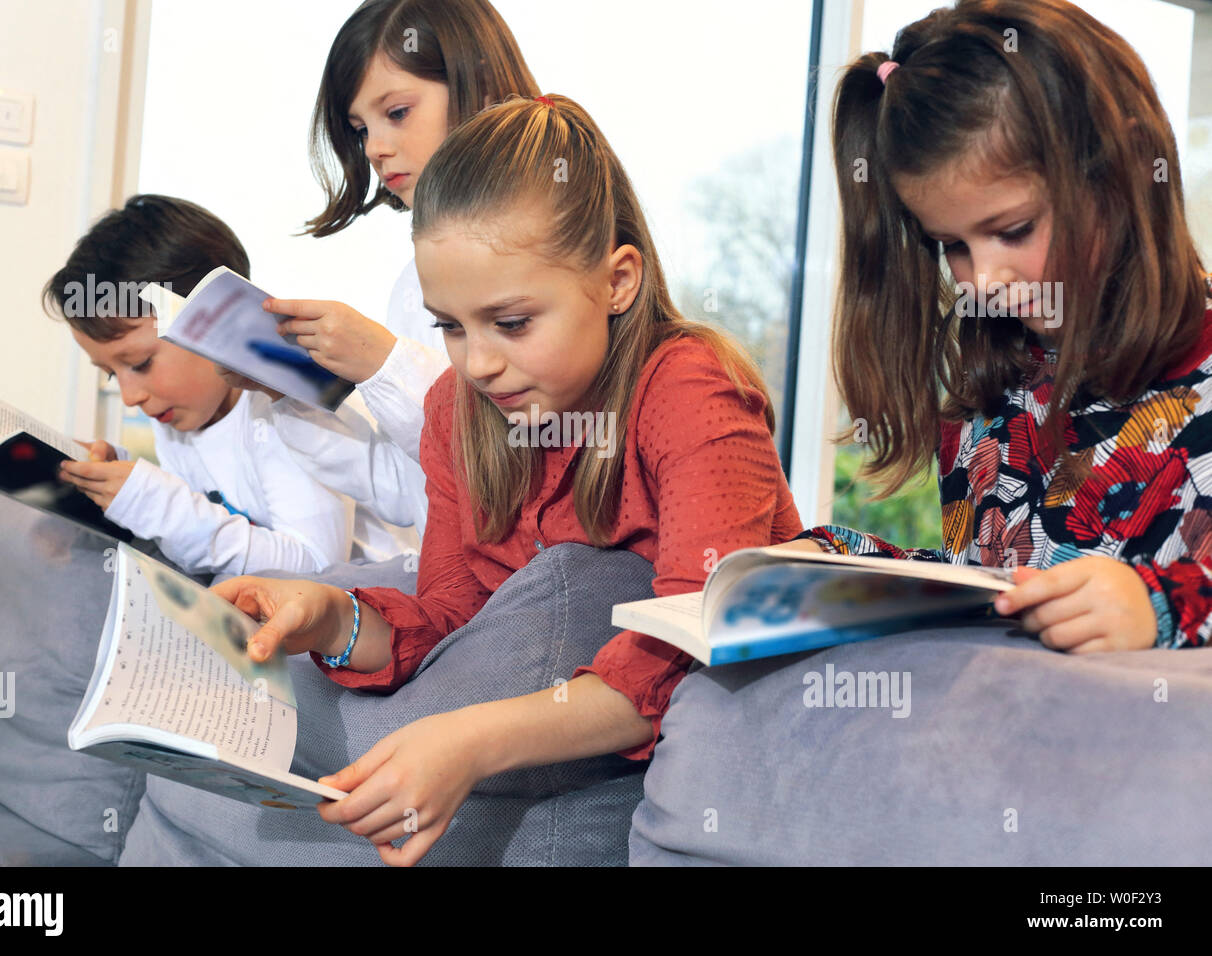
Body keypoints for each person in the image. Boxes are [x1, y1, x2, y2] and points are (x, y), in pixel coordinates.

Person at [214, 94, 805, 865]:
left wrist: (468, 740)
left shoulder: (689, 391)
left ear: (618, 281)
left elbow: (692, 644)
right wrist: (331, 619)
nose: (478, 362)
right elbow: (450, 620)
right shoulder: (457, 413)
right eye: (450, 326)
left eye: (513, 322)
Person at [783, 0, 1211, 652]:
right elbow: (992, 592)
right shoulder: (993, 386)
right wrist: (840, 563)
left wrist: (1160, 609)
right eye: (952, 245)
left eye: (1012, 230)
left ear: (1125, 169)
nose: (981, 280)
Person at [228, 0, 542, 516]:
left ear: (479, 88)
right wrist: (290, 395)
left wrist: (384, 364)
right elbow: (411, 493)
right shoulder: (410, 285)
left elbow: (529, 470)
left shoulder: (550, 256)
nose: (374, 147)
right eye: (360, 129)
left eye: (396, 112)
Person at [44, 195, 410, 576]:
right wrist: (124, 480)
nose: (131, 396)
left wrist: (155, 502)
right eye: (110, 373)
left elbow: (316, 569)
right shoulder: (179, 417)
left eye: (140, 364)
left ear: (219, 320)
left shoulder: (289, 409)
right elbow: (210, 519)